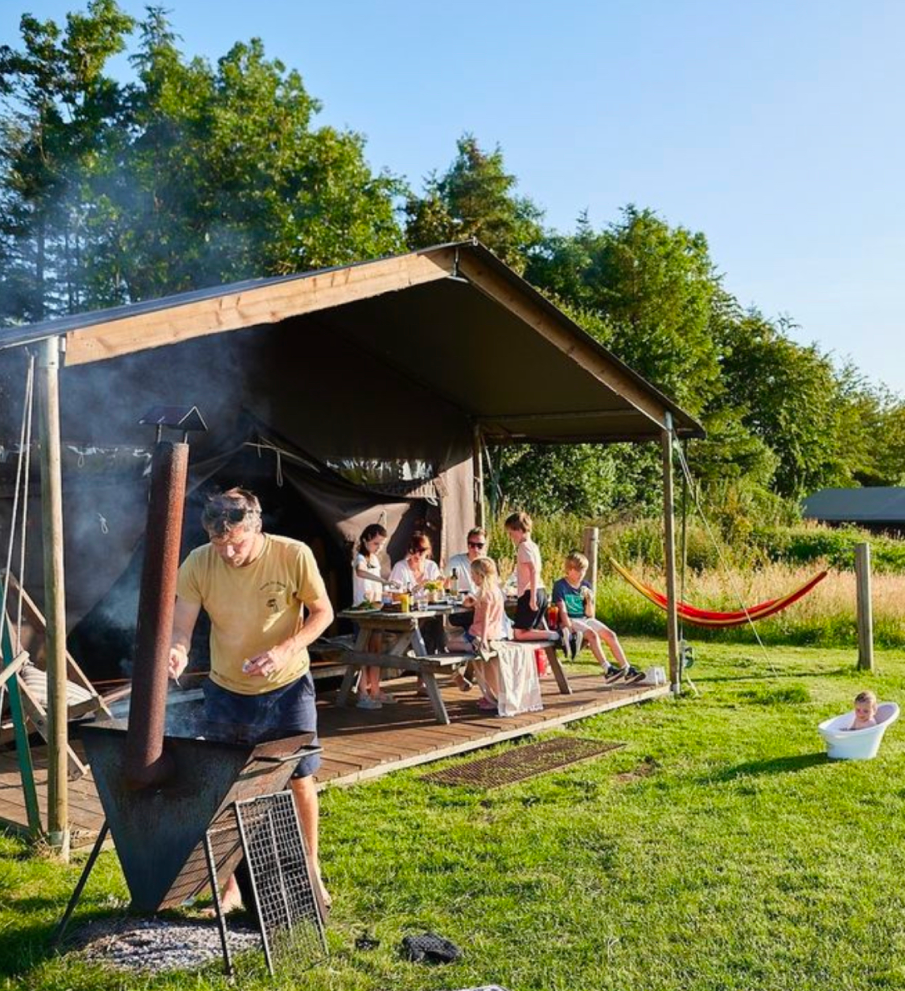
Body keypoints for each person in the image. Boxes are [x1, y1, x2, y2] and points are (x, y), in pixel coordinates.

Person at [168, 488, 334, 914]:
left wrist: (285, 650)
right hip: (226, 691)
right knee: (227, 787)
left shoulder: (292, 555)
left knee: (299, 778)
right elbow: (182, 626)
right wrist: (178, 650)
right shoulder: (198, 562)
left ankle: (310, 870)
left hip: (288, 687)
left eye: (236, 543)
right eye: (217, 542)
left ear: (256, 527)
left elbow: (323, 613)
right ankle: (231, 887)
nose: (226, 553)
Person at [551, 551, 639, 680]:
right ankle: (607, 668)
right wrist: (569, 629)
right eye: (578, 571)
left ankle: (627, 668)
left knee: (610, 635)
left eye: (584, 571)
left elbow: (590, 614)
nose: (582, 574)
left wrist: (589, 600)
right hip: (570, 619)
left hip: (584, 618)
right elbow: (562, 609)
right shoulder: (560, 585)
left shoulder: (585, 586)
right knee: (592, 635)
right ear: (569, 570)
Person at [447, 558, 505, 708]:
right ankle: (492, 697)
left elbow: (485, 618)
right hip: (495, 634)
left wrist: (482, 639)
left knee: (449, 645)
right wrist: (472, 603)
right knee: (487, 670)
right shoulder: (496, 592)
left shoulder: (484, 595)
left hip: (478, 634)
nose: (472, 578)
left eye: (473, 574)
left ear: (480, 575)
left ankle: (470, 648)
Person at [352, 523, 394, 710]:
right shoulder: (360, 558)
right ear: (365, 540)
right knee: (364, 652)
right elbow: (360, 571)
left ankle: (375, 690)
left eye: (381, 544)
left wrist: (385, 592)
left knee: (376, 650)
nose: (379, 548)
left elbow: (374, 586)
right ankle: (362, 692)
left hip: (376, 609)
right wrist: (382, 580)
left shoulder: (375, 559)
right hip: (362, 611)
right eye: (376, 543)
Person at [505, 511, 550, 642]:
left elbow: (533, 570)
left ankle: (556, 635)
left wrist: (532, 597)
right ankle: (554, 636)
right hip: (540, 590)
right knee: (529, 630)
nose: (511, 537)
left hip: (530, 592)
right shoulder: (533, 546)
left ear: (519, 530)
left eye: (511, 533)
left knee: (519, 634)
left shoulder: (523, 546)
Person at [446, 527, 488, 596]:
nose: (476, 549)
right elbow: (446, 585)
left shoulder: (488, 565)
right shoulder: (456, 562)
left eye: (480, 545)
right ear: (467, 545)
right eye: (472, 545)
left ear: (485, 546)